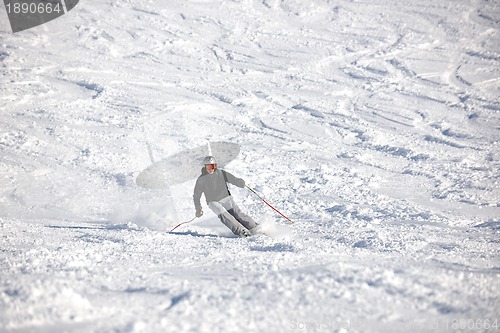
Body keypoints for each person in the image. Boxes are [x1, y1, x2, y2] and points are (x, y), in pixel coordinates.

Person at [193, 156, 259, 237]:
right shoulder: (201, 179)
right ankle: (241, 230)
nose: (210, 169)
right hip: (212, 201)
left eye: (212, 166)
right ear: (205, 167)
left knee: (237, 213)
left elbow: (233, 179)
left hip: (226, 197)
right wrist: (198, 208)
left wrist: (239, 182)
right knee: (222, 212)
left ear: (215, 166)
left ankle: (253, 227)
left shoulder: (221, 173)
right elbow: (196, 195)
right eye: (208, 166)